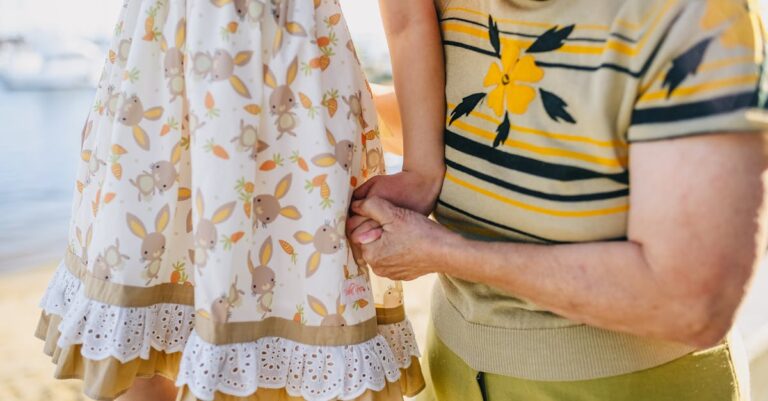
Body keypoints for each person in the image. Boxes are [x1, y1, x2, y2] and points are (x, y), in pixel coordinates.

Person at [349, 0, 768, 400]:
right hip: (450, 373)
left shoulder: (696, 19)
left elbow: (692, 303)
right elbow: (471, 124)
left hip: (626, 386)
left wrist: (441, 251)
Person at [34, 1, 445, 400]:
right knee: (141, 328)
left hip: (291, 95)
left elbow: (406, 19)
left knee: (297, 323)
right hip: (156, 91)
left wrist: (423, 169)